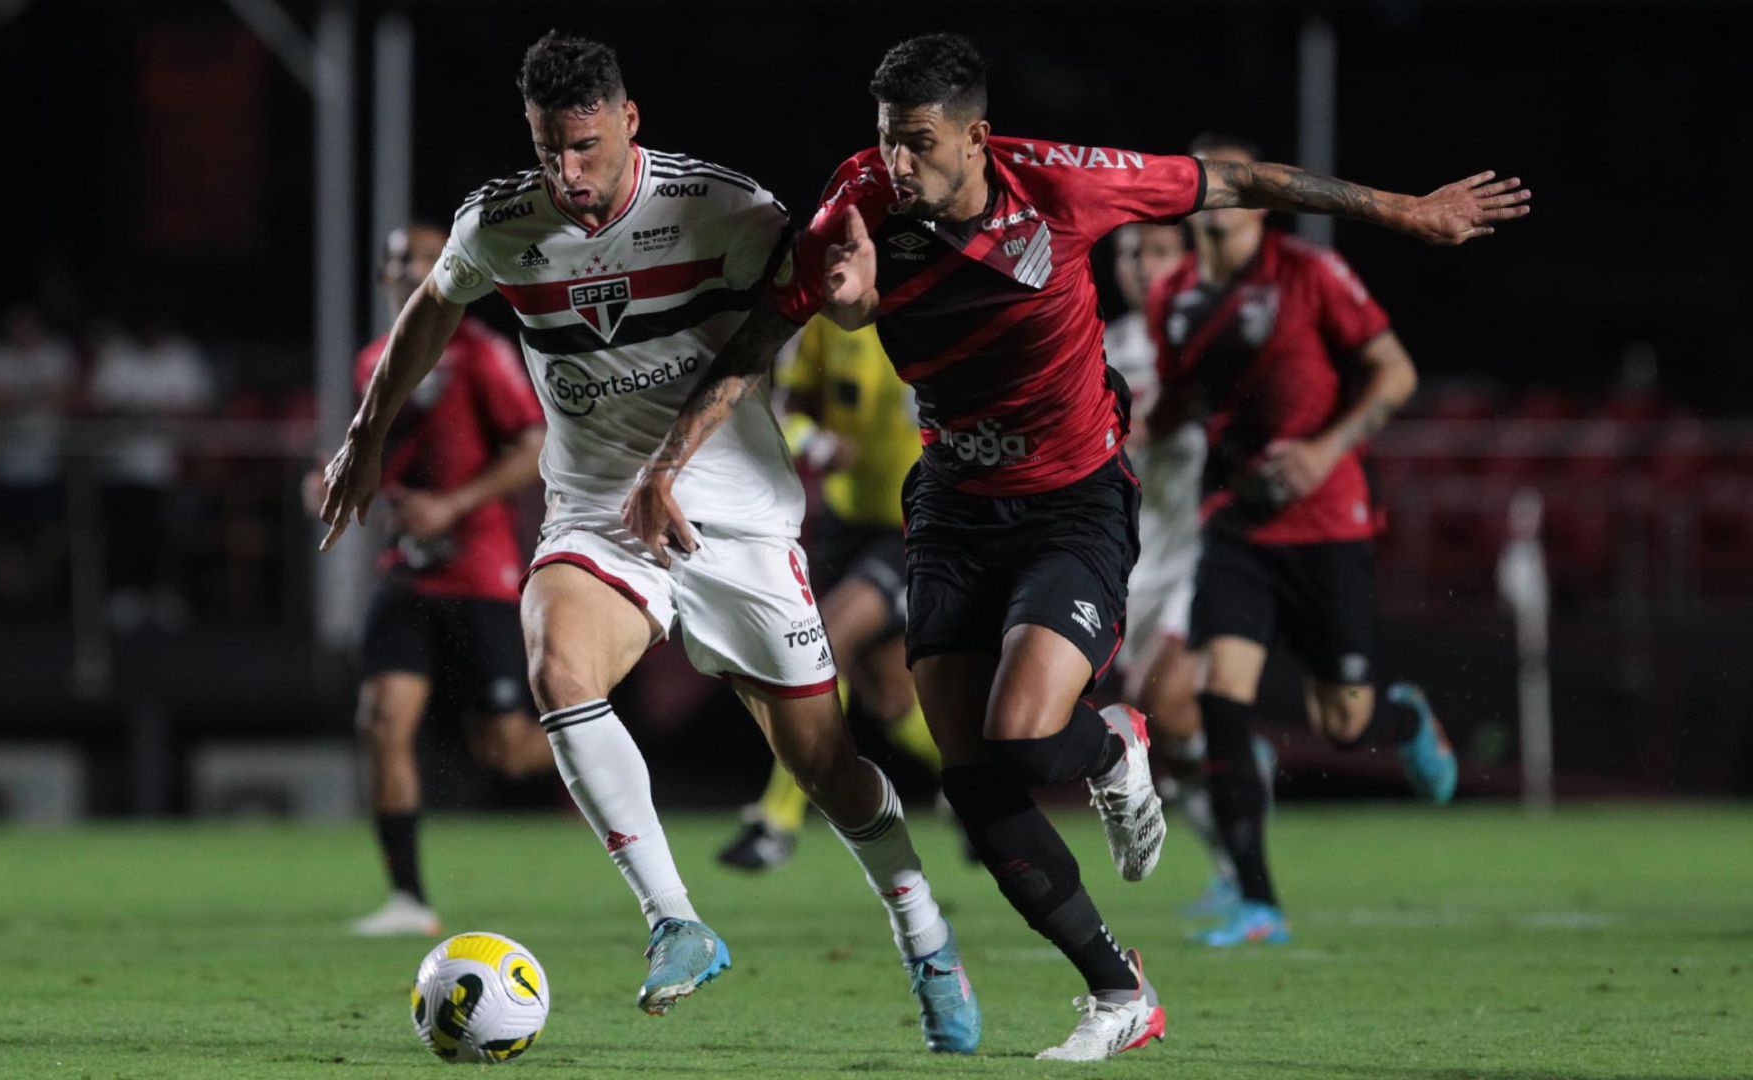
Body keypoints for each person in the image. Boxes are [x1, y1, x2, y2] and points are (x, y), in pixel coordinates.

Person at [624, 34, 1527, 1059]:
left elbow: (1235, 181)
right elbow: (756, 342)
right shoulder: (857, 205)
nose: (899, 165)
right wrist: (667, 464)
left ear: (977, 137)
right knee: (971, 776)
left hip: (1073, 503)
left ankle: (1114, 744)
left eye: (920, 144)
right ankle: (1118, 992)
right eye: (887, 143)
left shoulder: (1060, 184)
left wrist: (1405, 211)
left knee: (1024, 731)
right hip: (955, 507)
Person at [315, 32, 978, 1050]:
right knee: (559, 660)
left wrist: (853, 303)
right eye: (548, 152)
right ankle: (676, 920)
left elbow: (822, 301)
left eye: (585, 147)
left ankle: (925, 935)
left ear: (630, 122)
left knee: (827, 767)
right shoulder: (501, 222)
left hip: (741, 522)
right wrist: (368, 431)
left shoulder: (721, 209)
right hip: (598, 514)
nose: (568, 175)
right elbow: (434, 305)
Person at [1148, 133, 1462, 949]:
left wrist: (1324, 449)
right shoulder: (1173, 296)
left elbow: (1395, 372)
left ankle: (1405, 718)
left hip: (1328, 523)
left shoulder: (1308, 273)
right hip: (1237, 525)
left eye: (1228, 184)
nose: (1215, 199)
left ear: (1256, 199)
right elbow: (1180, 404)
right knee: (1219, 698)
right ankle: (1258, 904)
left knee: (1343, 723)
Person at [303, 224, 553, 937]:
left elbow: (532, 446)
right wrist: (336, 482)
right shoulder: (372, 361)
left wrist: (451, 504)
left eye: (417, 259)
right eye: (391, 262)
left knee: (505, 750)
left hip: (479, 570)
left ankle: (602, 752)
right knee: (381, 723)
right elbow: (384, 459)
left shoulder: (481, 354)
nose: (401, 271)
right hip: (405, 573)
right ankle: (409, 899)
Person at [715, 314, 943, 871]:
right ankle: (983, 779)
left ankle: (777, 823)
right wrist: (816, 442)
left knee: (825, 643)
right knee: (891, 698)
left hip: (916, 525)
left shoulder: (933, 309)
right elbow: (784, 408)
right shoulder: (824, 324)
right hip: (846, 526)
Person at [1099, 222, 1269, 916]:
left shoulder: (1207, 335)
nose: (1144, 266)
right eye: (1132, 254)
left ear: (1188, 260)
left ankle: (1244, 849)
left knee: (1157, 697)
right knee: (1171, 727)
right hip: (1135, 560)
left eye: (1160, 251)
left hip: (1200, 549)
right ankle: (1234, 853)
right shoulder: (1105, 345)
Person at [88, 315, 216, 630]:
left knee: (169, 533)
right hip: (122, 467)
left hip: (172, 470)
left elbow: (199, 409)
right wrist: (140, 412)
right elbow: (99, 406)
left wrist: (153, 414)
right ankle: (126, 593)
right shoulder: (116, 356)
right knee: (126, 531)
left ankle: (165, 593)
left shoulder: (182, 357)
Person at [0, 305, 77, 608]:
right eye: (17, 324)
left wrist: (15, 398)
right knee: (8, 539)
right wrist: (35, 396)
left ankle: (45, 597)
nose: (22, 331)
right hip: (3, 466)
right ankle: (11, 600)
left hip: (46, 464)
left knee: (47, 535)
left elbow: (65, 396)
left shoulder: (56, 354)